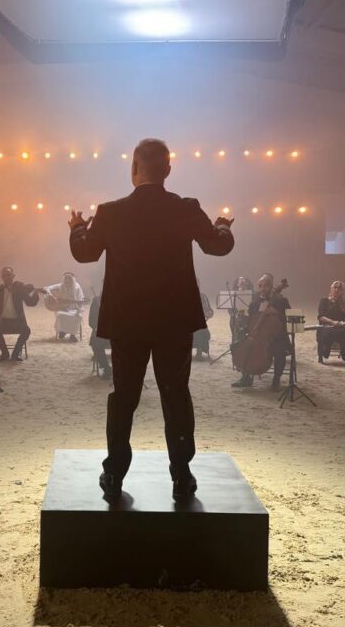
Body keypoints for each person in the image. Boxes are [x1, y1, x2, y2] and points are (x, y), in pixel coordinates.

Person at [69, 137, 234, 501]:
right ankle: (181, 477)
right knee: (175, 395)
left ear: (134, 169)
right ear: (168, 170)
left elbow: (84, 253)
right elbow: (217, 245)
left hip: (127, 322)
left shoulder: (110, 211)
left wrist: (77, 227)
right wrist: (223, 226)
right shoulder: (186, 208)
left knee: (124, 396)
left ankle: (114, 474)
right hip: (174, 321)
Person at [231, 273, 290, 390]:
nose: (263, 288)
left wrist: (277, 313)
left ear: (271, 286)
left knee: (280, 349)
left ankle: (276, 379)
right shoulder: (256, 299)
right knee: (242, 341)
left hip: (275, 336)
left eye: (266, 285)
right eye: (260, 286)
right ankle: (246, 377)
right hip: (256, 334)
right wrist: (242, 319)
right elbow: (251, 318)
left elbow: (289, 318)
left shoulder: (281, 300)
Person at [0, 266, 40, 360]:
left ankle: (16, 353)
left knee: (26, 331)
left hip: (17, 321)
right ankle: (5, 353)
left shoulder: (19, 288)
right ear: (1, 277)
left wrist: (35, 293)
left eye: (8, 275)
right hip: (2, 321)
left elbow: (30, 302)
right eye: (4, 275)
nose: (6, 277)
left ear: (13, 276)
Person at [317, 280, 345, 365]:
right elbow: (321, 317)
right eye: (335, 287)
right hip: (327, 326)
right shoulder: (324, 301)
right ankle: (324, 351)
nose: (337, 289)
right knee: (328, 332)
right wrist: (332, 322)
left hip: (341, 327)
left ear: (342, 291)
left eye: (339, 288)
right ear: (331, 289)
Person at [44, 272, 85, 342]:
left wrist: (80, 303)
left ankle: (72, 335)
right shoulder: (60, 286)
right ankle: (62, 331)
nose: (67, 280)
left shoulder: (77, 287)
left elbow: (81, 298)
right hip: (63, 308)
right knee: (60, 315)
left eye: (69, 278)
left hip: (75, 308)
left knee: (78, 316)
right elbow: (46, 288)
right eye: (66, 278)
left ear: (73, 279)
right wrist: (51, 295)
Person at [88, 288, 112, 380]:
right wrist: (99, 325)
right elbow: (91, 321)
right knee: (95, 342)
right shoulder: (96, 300)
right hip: (102, 332)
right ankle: (106, 367)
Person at [192, 282, 213, 359]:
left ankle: (199, 352)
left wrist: (208, 314)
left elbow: (210, 311)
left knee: (200, 330)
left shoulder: (203, 297)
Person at [229, 275, 253, 341]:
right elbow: (230, 310)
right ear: (237, 284)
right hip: (237, 317)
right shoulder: (233, 295)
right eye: (240, 279)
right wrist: (235, 314)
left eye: (244, 279)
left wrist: (247, 312)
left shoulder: (252, 295)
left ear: (247, 283)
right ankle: (235, 341)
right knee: (233, 319)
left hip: (249, 317)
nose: (242, 280)